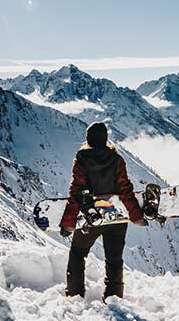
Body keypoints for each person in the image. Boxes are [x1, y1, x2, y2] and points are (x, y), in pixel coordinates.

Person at [60, 121, 147, 299]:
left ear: (88, 139)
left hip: (91, 217)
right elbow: (125, 190)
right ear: (105, 139)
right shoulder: (116, 159)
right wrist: (135, 216)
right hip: (117, 217)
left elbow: (76, 191)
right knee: (114, 260)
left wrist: (69, 223)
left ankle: (74, 296)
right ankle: (114, 300)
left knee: (77, 254)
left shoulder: (82, 159)